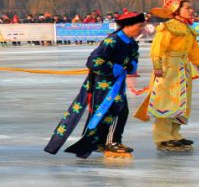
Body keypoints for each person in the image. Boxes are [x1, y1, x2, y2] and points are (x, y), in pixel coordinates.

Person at [45, 12, 145, 159]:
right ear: (128, 26)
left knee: (119, 111)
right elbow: (94, 60)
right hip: (103, 84)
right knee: (117, 110)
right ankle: (111, 142)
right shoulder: (112, 41)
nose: (142, 29)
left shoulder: (132, 43)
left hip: (117, 83)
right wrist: (114, 68)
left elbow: (133, 58)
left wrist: (131, 66)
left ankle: (104, 141)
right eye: (140, 26)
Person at [135, 0, 199, 152]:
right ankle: (163, 137)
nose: (191, 10)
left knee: (181, 102)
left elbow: (194, 53)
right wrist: (158, 67)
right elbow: (157, 49)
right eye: (188, 8)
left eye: (191, 8)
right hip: (168, 68)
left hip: (183, 69)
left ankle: (175, 134)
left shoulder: (188, 30)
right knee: (166, 102)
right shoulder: (168, 28)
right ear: (177, 10)